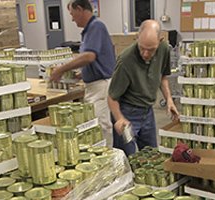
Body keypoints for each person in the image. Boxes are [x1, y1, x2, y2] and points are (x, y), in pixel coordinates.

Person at [49, 0, 116, 146]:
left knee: (101, 126)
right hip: (95, 85)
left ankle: (107, 160)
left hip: (101, 86)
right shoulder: (90, 29)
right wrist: (83, 73)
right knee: (96, 124)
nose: (72, 19)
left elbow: (89, 56)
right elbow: (94, 59)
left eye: (72, 14)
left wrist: (61, 69)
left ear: (80, 9)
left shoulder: (96, 26)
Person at [108, 20, 178, 156]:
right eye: (142, 48)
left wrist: (169, 99)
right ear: (137, 38)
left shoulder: (164, 49)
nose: (145, 54)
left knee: (151, 155)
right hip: (127, 111)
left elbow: (163, 76)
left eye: (151, 50)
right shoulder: (126, 60)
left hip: (147, 111)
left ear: (160, 40)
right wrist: (119, 118)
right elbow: (112, 97)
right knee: (127, 159)